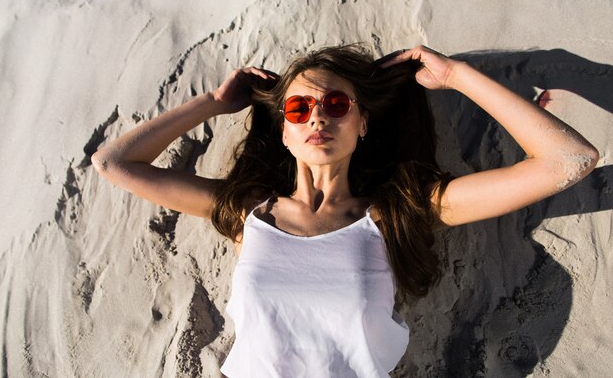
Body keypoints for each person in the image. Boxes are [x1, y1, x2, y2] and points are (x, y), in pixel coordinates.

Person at [91, 44, 599, 377]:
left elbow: (570, 160)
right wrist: (212, 103)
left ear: (363, 124)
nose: (317, 116)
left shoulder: (397, 213)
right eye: (298, 109)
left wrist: (458, 76)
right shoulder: (249, 214)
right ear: (285, 131)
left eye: (336, 105)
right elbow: (112, 162)